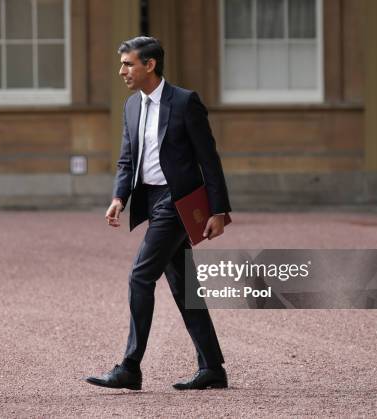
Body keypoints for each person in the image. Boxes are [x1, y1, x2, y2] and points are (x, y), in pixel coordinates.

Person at [85, 36, 231, 391]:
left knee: (140, 276)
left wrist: (219, 210)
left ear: (150, 65)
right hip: (151, 201)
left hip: (179, 202)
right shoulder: (131, 106)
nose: (122, 71)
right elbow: (126, 158)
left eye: (128, 64)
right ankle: (212, 367)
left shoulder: (184, 102)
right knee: (184, 287)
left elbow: (208, 159)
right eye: (122, 64)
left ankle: (130, 367)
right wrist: (120, 196)